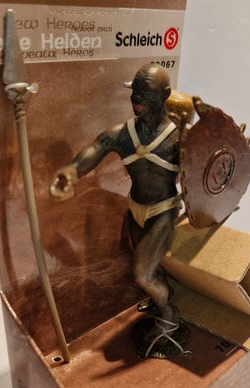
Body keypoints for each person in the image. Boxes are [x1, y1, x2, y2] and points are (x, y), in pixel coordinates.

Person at [50, 64, 186, 356]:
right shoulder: (124, 134)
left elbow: (203, 174)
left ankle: (169, 315)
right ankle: (160, 297)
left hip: (162, 212)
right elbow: (96, 148)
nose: (136, 98)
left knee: (143, 274)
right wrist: (71, 171)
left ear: (164, 95)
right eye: (135, 91)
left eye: (146, 93)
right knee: (150, 267)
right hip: (134, 209)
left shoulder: (178, 139)